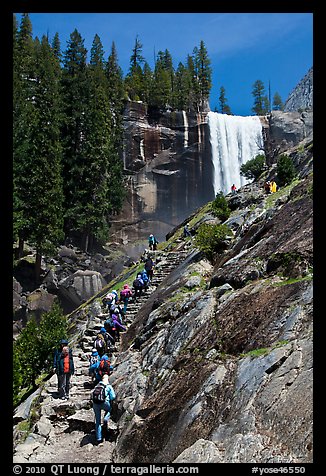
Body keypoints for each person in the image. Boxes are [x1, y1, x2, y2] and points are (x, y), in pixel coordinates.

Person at [91, 374, 116, 445]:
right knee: (109, 410)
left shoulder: (97, 385)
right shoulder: (108, 386)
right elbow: (113, 397)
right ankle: (105, 419)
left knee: (98, 421)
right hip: (104, 403)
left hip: (95, 404)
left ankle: (99, 438)